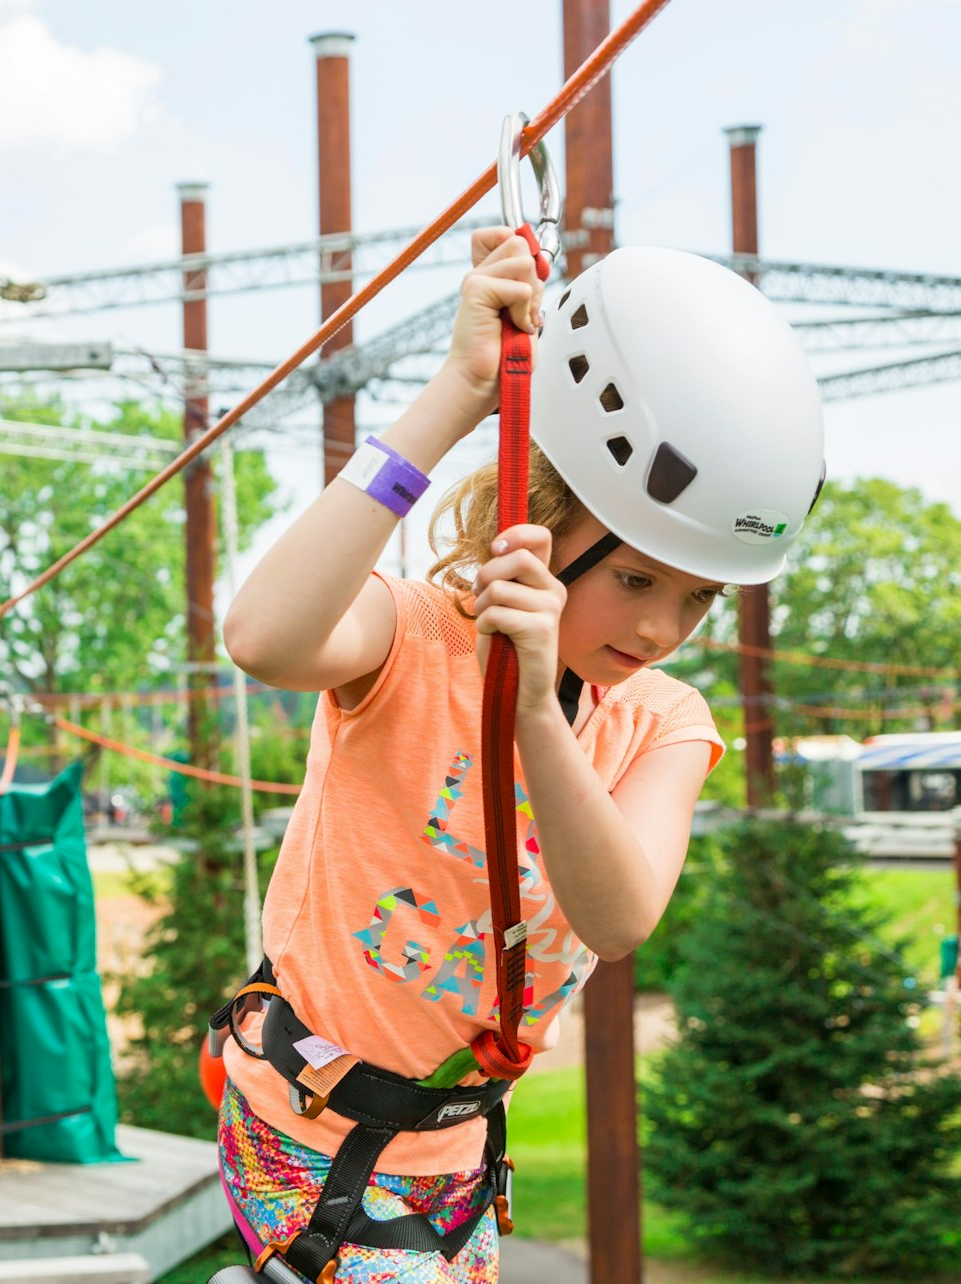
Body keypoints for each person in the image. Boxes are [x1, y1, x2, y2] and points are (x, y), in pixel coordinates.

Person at [212, 228, 826, 1284]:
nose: (663, 628)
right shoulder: (413, 639)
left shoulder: (661, 723)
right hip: (305, 1127)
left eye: (696, 598)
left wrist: (540, 712)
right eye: (635, 581)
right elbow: (264, 637)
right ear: (542, 520)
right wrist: (455, 395)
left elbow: (620, 914)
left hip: (453, 1155)